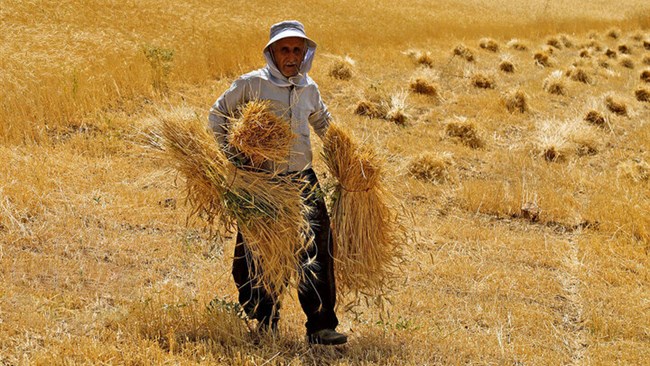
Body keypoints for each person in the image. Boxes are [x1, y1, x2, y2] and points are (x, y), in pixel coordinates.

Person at [208, 20, 347, 346]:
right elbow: (217, 115)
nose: (292, 56)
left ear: (305, 54)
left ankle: (321, 325)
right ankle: (263, 320)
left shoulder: (309, 88)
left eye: (297, 50)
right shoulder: (252, 84)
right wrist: (236, 157)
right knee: (258, 252)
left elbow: (325, 125)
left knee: (316, 249)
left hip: (302, 180)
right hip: (262, 182)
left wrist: (346, 159)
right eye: (285, 49)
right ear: (272, 52)